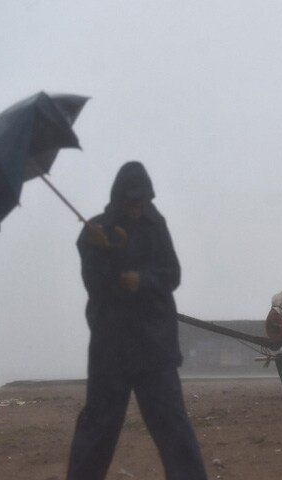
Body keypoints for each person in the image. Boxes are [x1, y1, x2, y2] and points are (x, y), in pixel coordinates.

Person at [66, 161, 207, 480]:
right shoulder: (94, 232)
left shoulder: (157, 226)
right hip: (110, 349)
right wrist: (101, 251)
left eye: (141, 200)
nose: (136, 205)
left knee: (173, 427)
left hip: (154, 347)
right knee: (97, 430)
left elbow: (172, 275)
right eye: (131, 200)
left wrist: (142, 281)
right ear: (119, 198)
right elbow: (96, 285)